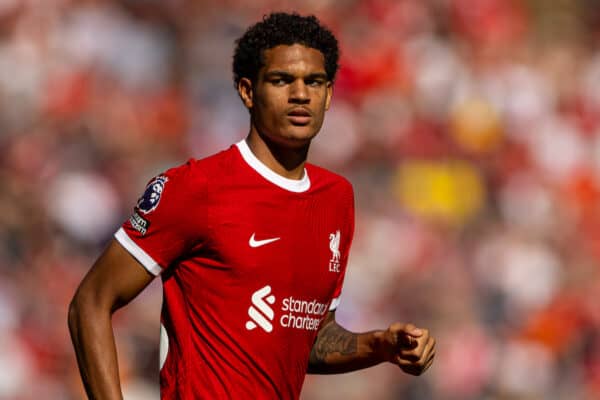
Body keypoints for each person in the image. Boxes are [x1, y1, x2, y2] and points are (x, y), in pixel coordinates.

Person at [68, 12, 436, 399]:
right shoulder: (196, 187)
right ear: (247, 91)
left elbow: (304, 339)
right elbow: (90, 303)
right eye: (281, 80)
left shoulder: (336, 198)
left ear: (329, 95)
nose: (300, 94)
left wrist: (380, 346)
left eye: (314, 82)